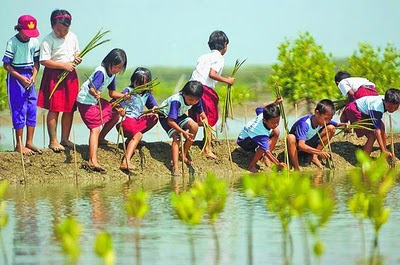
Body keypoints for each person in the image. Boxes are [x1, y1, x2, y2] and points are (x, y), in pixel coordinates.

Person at [76, 48, 129, 173]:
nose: (116, 70)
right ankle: (92, 159)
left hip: (94, 101)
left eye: (119, 68)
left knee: (115, 113)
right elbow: (91, 88)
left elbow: (111, 93)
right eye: (115, 67)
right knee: (95, 128)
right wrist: (95, 94)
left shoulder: (112, 75)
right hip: (86, 101)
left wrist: (124, 96)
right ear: (109, 62)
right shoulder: (101, 72)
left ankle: (101, 138)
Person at [37, 9, 82, 152]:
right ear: (52, 26)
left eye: (65, 29)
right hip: (54, 76)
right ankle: (53, 141)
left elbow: (76, 51)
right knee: (54, 108)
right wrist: (63, 65)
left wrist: (77, 58)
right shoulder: (47, 40)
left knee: (69, 109)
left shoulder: (73, 37)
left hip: (70, 75)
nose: (62, 33)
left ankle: (65, 138)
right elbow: (44, 60)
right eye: (59, 30)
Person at [188, 30, 235, 160]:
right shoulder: (219, 58)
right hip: (203, 89)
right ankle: (207, 148)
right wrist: (228, 80)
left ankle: (192, 140)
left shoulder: (203, 57)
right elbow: (212, 74)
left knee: (193, 115)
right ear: (225, 44)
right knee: (209, 117)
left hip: (192, 86)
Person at [2, 15, 41, 155]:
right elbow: (6, 65)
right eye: (25, 33)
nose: (27, 37)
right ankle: (19, 144)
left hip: (30, 75)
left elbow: (37, 63)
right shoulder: (12, 42)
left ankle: (29, 142)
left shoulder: (35, 42)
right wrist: (20, 78)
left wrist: (34, 77)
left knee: (31, 107)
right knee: (19, 108)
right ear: (19, 29)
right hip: (15, 76)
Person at [159, 80, 209, 176]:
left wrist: (204, 121)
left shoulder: (196, 99)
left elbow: (203, 116)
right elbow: (170, 121)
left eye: (196, 100)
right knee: (177, 137)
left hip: (179, 115)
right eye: (190, 100)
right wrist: (183, 132)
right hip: (166, 117)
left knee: (194, 126)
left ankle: (183, 154)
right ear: (184, 94)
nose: (193, 103)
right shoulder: (176, 101)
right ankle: (175, 167)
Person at [116, 67, 159, 172]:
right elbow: (116, 104)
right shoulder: (128, 91)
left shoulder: (147, 95)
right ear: (133, 81)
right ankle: (125, 162)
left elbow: (154, 106)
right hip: (126, 121)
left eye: (142, 85)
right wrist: (121, 109)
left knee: (154, 117)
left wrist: (155, 109)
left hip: (137, 121)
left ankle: (132, 139)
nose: (139, 87)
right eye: (137, 83)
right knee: (138, 135)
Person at [342, 88, 400, 157]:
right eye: (389, 107)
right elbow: (377, 131)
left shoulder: (390, 101)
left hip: (366, 111)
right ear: (385, 101)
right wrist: (383, 149)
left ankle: (383, 152)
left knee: (382, 126)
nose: (392, 110)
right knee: (372, 135)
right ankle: (364, 160)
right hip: (355, 111)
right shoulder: (376, 108)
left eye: (395, 107)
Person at [287, 99, 341, 171]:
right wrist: (319, 152)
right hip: (298, 147)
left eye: (329, 119)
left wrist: (341, 124)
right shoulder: (304, 124)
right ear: (317, 113)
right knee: (290, 137)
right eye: (326, 118)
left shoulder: (322, 121)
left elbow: (333, 123)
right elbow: (301, 145)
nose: (327, 121)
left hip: (310, 145)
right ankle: (296, 167)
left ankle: (314, 157)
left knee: (331, 128)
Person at [237, 98, 286, 173]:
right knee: (263, 147)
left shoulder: (263, 114)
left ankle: (265, 158)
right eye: (273, 123)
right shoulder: (261, 133)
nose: (276, 124)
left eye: (277, 122)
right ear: (265, 121)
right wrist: (277, 164)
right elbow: (267, 151)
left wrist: (275, 103)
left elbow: (259, 107)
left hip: (252, 136)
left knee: (276, 131)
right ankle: (251, 166)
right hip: (244, 141)